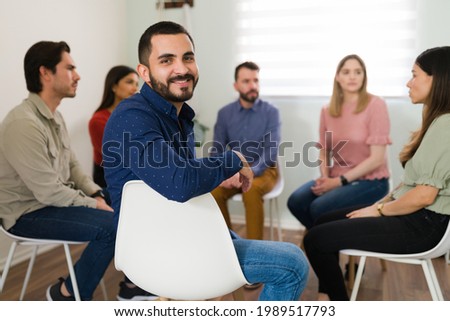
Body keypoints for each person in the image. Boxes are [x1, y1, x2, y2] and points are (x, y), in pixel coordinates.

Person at [102, 21, 309, 301]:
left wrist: (219, 172)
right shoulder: (132, 117)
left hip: (186, 228)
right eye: (166, 60)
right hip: (160, 249)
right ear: (145, 73)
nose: (182, 68)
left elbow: (181, 174)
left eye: (188, 57)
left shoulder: (178, 116)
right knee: (293, 264)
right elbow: (179, 182)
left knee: (231, 236)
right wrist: (233, 159)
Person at [0, 41, 152, 301]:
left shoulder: (55, 117)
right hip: (27, 213)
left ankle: (133, 285)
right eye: (69, 68)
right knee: (112, 226)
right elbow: (48, 192)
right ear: (45, 73)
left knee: (133, 202)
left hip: (52, 203)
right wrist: (94, 204)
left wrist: (97, 193)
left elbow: (72, 167)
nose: (77, 75)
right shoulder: (23, 124)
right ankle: (66, 294)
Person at [304, 46, 450, 301]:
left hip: (423, 226)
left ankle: (337, 303)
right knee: (321, 222)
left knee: (315, 239)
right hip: (415, 215)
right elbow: (410, 184)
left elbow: (424, 196)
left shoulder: (445, 124)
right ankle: (331, 295)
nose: (409, 82)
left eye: (414, 75)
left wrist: (379, 210)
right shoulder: (437, 120)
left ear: (436, 79)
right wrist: (381, 203)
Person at [287, 54, 391, 230]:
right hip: (336, 176)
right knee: (296, 201)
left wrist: (337, 182)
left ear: (364, 76)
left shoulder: (376, 105)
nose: (352, 76)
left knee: (319, 208)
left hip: (372, 182)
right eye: (346, 72)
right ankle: (325, 244)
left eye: (358, 72)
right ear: (337, 77)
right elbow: (324, 150)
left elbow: (377, 159)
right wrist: (326, 177)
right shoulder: (327, 110)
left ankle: (320, 243)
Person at [210, 61, 280, 240]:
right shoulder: (225, 113)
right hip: (234, 170)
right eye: (246, 81)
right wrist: (222, 174)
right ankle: (228, 245)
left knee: (252, 190)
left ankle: (255, 250)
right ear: (236, 85)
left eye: (256, 80)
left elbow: (271, 151)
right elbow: (217, 148)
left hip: (264, 170)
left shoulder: (271, 112)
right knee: (213, 192)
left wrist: (250, 171)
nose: (253, 86)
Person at [88, 65, 139, 189]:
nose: (135, 88)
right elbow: (118, 158)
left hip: (134, 177)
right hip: (110, 182)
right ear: (114, 86)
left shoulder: (135, 117)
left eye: (137, 84)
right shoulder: (98, 120)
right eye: (129, 82)